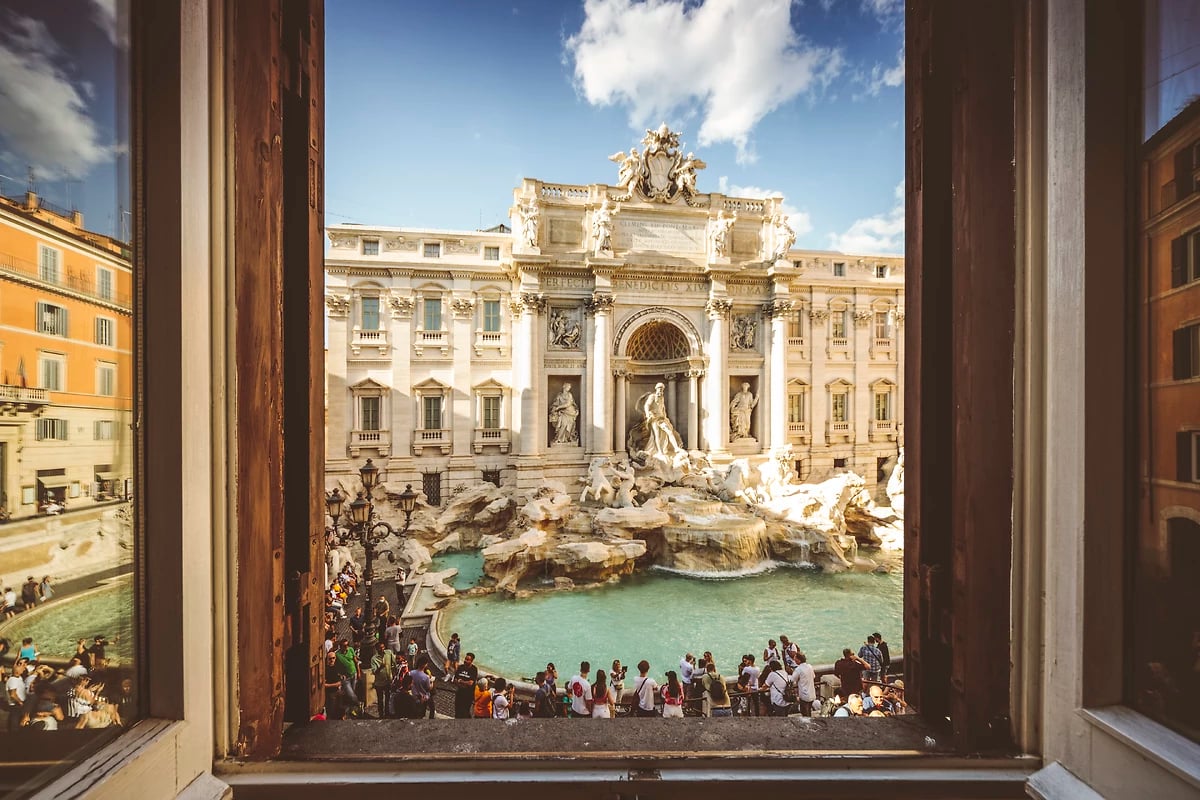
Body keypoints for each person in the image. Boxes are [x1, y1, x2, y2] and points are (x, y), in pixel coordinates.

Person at [370, 639, 394, 718]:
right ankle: (381, 715)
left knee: (388, 698)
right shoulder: (374, 659)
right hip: (379, 683)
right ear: (377, 649)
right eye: (380, 648)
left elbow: (393, 663)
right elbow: (374, 672)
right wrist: (380, 667)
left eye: (383, 647)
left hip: (388, 681)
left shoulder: (389, 653)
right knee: (380, 700)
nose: (382, 649)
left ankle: (387, 713)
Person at [790, 652, 817, 717]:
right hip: (811, 693)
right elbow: (813, 676)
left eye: (795, 658)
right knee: (808, 711)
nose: (794, 660)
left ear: (799, 660)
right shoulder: (810, 666)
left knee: (804, 712)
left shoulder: (798, 669)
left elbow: (792, 680)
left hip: (804, 695)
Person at [453, 653, 479, 719]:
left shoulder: (474, 669)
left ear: (471, 661)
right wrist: (464, 683)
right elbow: (455, 680)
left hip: (468, 695)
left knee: (465, 712)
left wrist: (460, 681)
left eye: (467, 659)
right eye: (465, 659)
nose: (465, 660)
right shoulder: (460, 667)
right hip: (459, 693)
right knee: (457, 710)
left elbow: (471, 683)